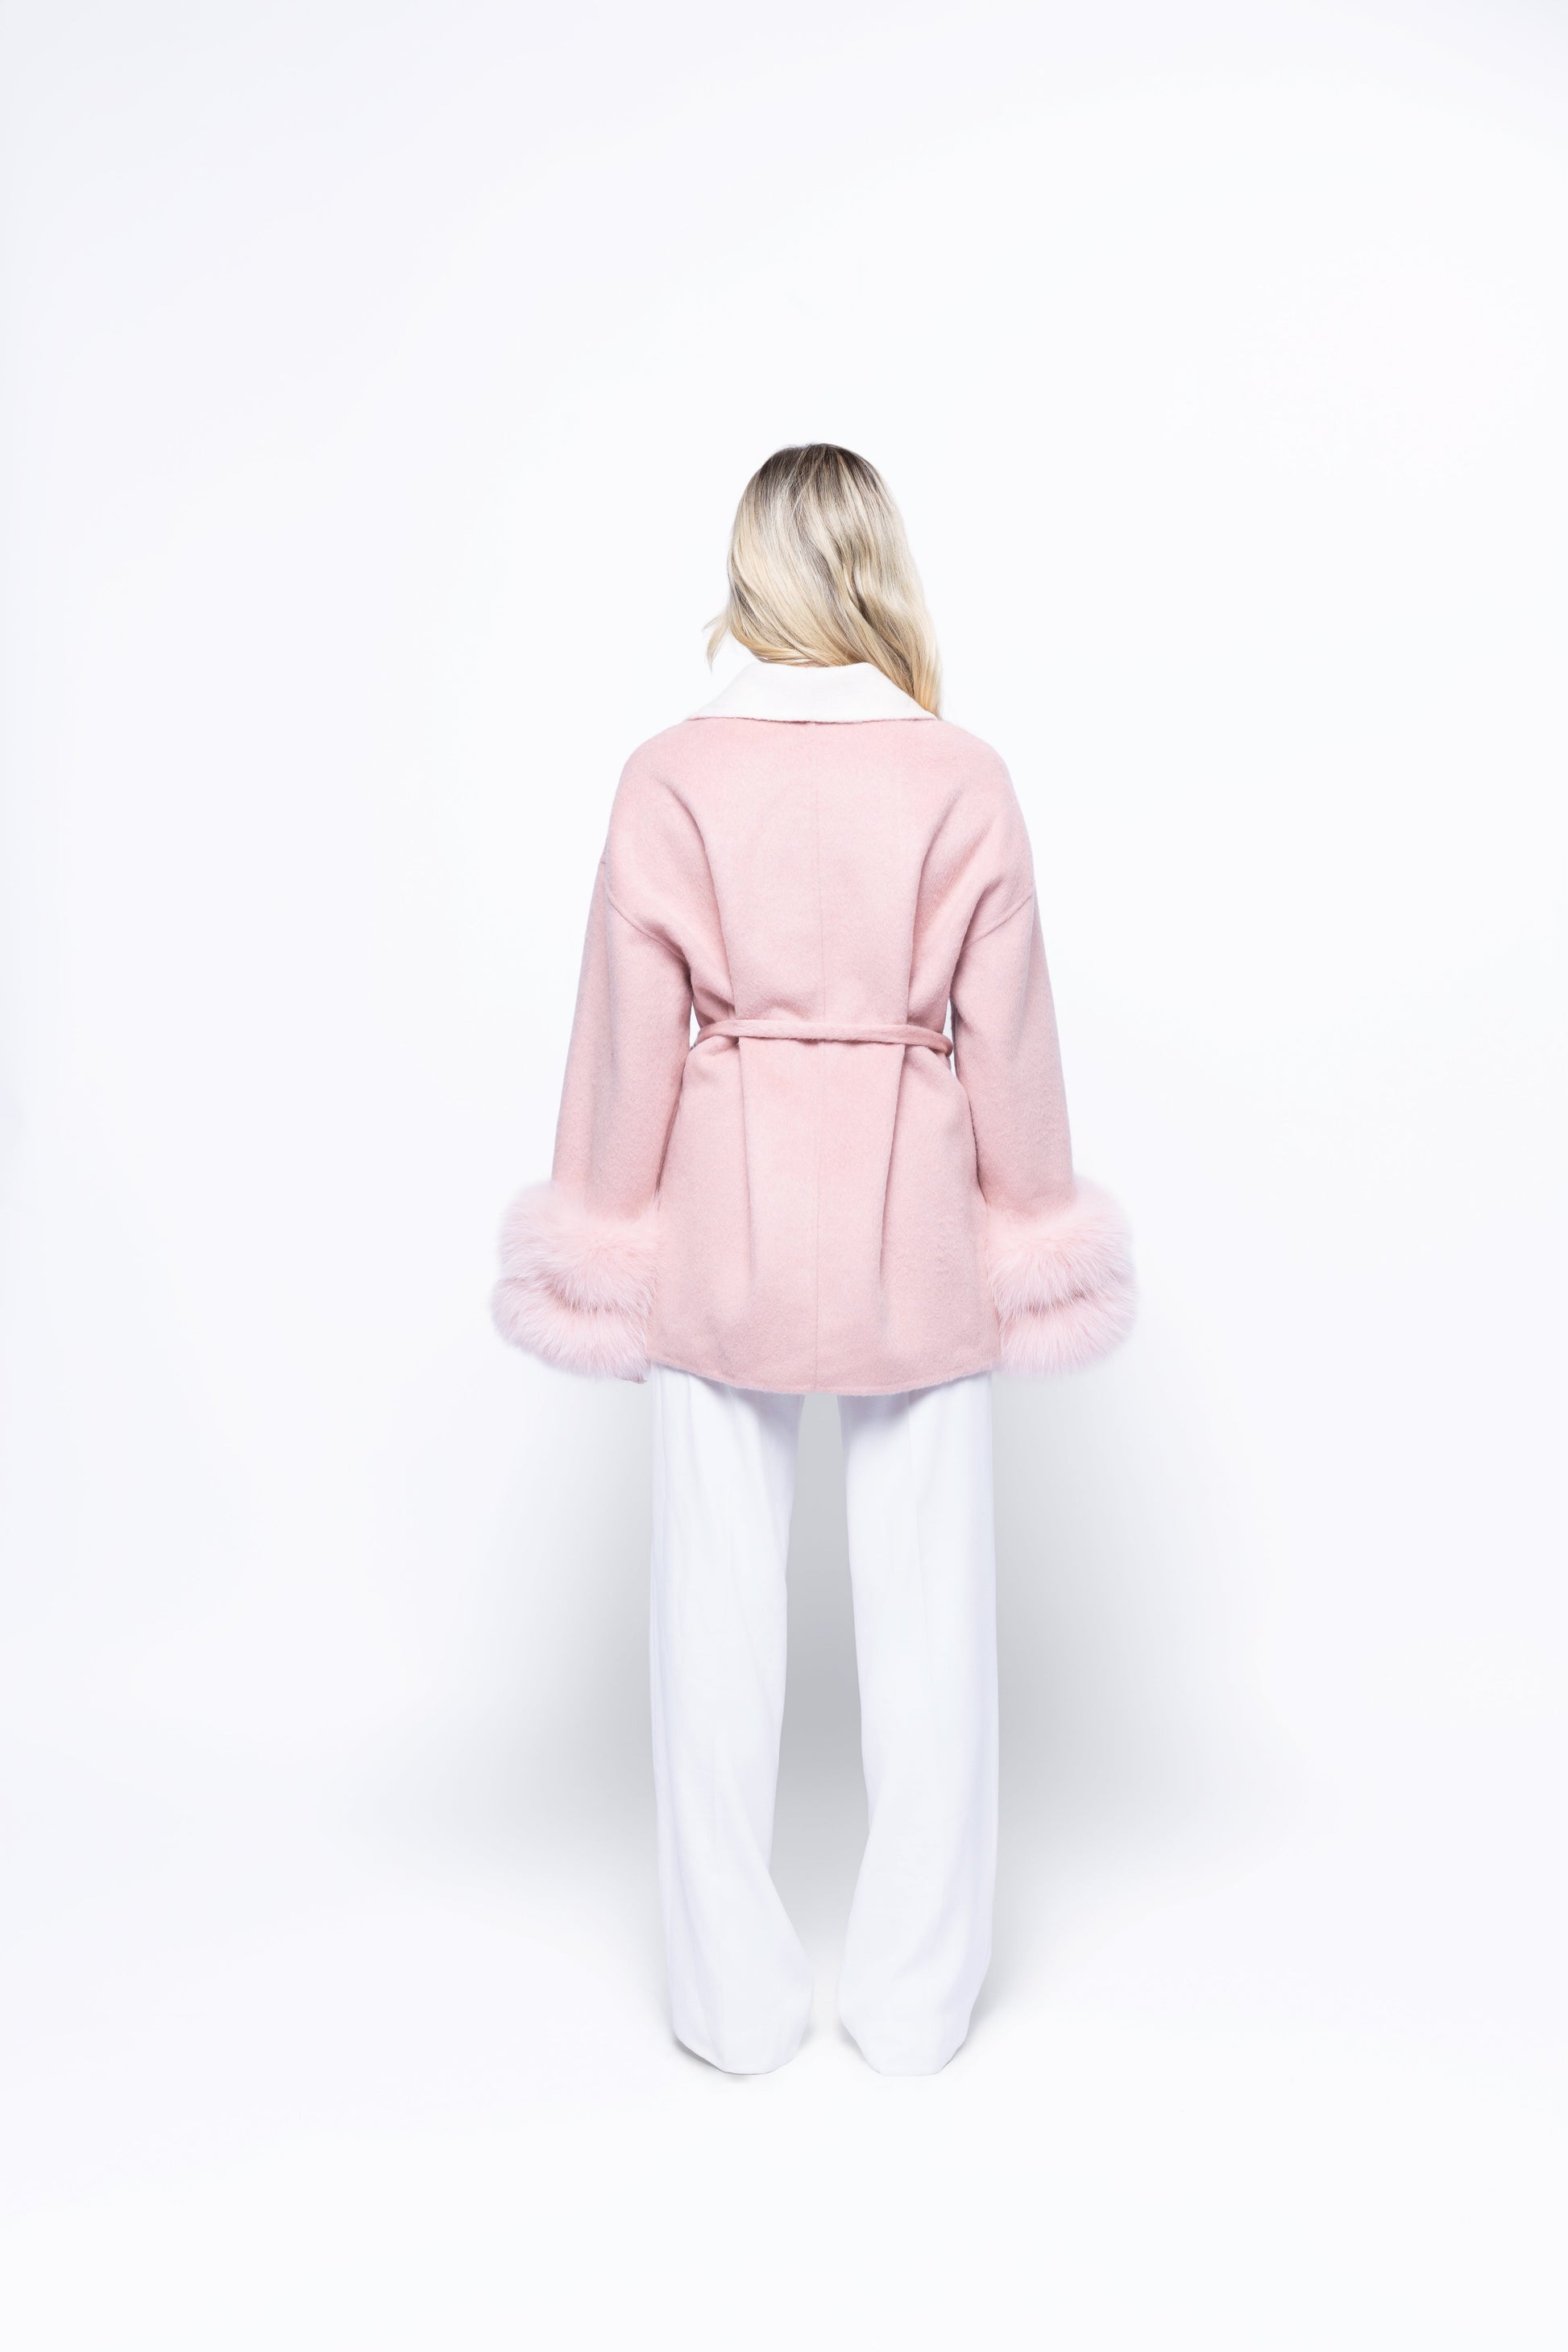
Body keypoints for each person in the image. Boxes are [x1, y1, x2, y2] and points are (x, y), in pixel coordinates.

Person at [492, 444, 1135, 2075]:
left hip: (725, 1218)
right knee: (933, 1626)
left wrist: (600, 1219)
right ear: (878, 565)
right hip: (913, 1226)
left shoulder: (669, 778)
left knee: (712, 1617)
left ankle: (729, 2003)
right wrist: (1030, 1214)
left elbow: (625, 1030)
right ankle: (916, 2005)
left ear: (750, 571)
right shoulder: (960, 777)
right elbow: (1010, 1034)